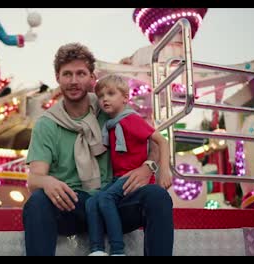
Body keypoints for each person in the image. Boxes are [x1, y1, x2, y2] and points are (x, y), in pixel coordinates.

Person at [23, 42, 174, 256]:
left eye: (80, 73)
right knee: (38, 202)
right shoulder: (46, 124)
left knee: (157, 196)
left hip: (114, 203)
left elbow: (151, 140)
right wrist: (47, 181)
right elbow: (34, 179)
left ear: (92, 78)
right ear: (57, 78)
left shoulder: (109, 107)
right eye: (67, 74)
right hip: (73, 205)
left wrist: (147, 167)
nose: (74, 81)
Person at [86, 75, 172, 256]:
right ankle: (97, 250)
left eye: (110, 94)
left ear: (125, 98)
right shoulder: (111, 124)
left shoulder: (131, 120)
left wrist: (164, 171)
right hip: (119, 178)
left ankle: (117, 250)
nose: (104, 99)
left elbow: (161, 141)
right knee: (92, 201)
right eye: (101, 96)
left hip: (131, 176)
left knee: (105, 198)